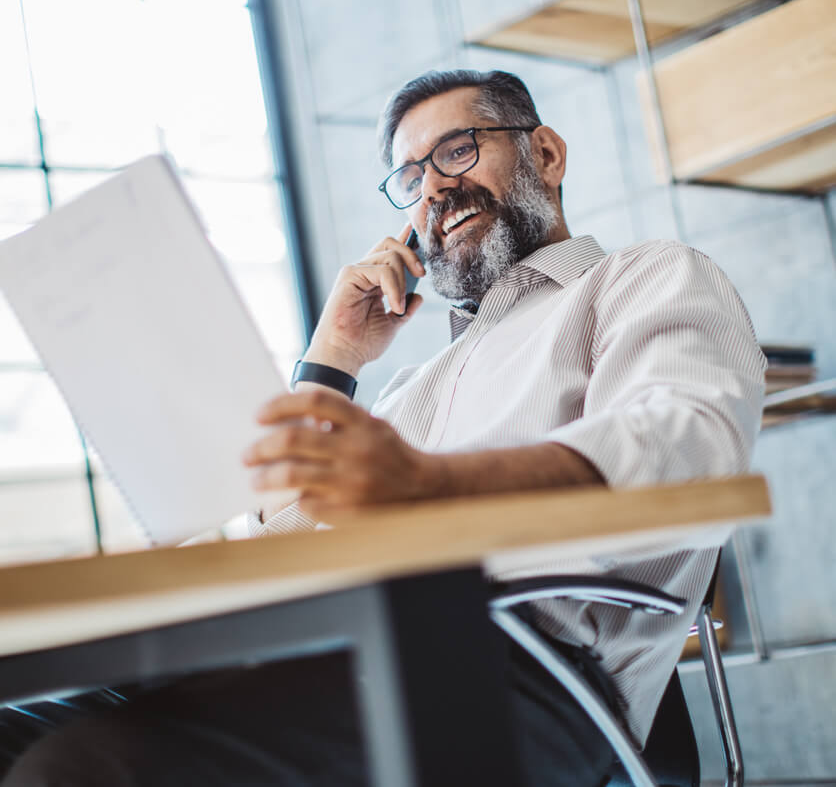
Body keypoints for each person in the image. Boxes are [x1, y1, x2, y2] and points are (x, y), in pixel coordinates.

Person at [2, 70, 766, 786]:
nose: (434, 185)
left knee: (86, 768)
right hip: (336, 654)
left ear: (546, 152)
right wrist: (333, 357)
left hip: (523, 680)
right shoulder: (411, 390)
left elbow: (690, 445)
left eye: (457, 149)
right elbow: (288, 545)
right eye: (411, 177)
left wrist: (429, 487)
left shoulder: (646, 278)